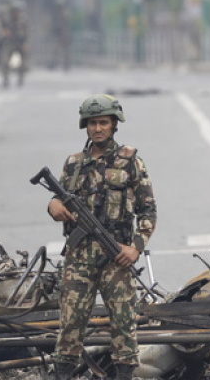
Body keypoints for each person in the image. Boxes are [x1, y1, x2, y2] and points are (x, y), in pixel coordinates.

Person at [48, 94, 156, 380]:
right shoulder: (74, 163)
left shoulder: (131, 162)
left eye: (104, 123)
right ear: (85, 125)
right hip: (79, 257)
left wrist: (136, 248)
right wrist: (52, 206)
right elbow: (60, 198)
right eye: (93, 123)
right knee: (70, 324)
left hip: (115, 255)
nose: (98, 129)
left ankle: (124, 374)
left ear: (114, 125)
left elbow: (148, 210)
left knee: (123, 322)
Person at [0, 0, 29, 88]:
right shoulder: (7, 19)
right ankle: (5, 79)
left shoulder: (23, 19)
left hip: (20, 43)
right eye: (14, 11)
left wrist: (26, 43)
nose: (16, 13)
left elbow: (27, 32)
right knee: (5, 61)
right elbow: (1, 28)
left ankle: (20, 78)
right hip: (9, 43)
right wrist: (4, 33)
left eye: (17, 11)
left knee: (21, 63)